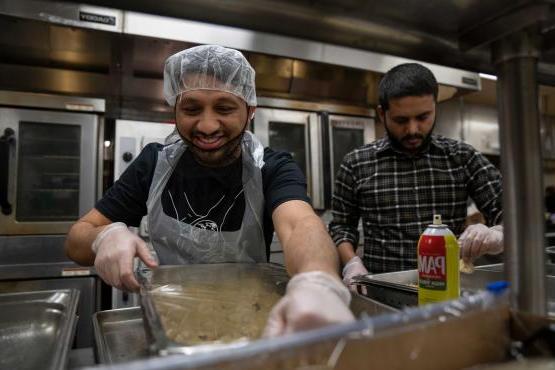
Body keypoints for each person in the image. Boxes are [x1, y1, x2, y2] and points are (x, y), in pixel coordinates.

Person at [65, 45, 353, 336]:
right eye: (191, 109)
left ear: (250, 110)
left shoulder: (271, 167)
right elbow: (78, 237)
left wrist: (317, 281)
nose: (207, 125)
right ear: (174, 108)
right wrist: (103, 236)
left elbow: (300, 224)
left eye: (225, 108)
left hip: (251, 323)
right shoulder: (153, 163)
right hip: (171, 327)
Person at [329, 63, 504, 287]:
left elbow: (509, 212)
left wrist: (496, 233)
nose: (413, 129)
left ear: (435, 106)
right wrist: (351, 262)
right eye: (401, 120)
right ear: (382, 113)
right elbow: (342, 226)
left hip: (447, 289)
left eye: (423, 117)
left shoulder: (462, 157)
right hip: (382, 290)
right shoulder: (356, 163)